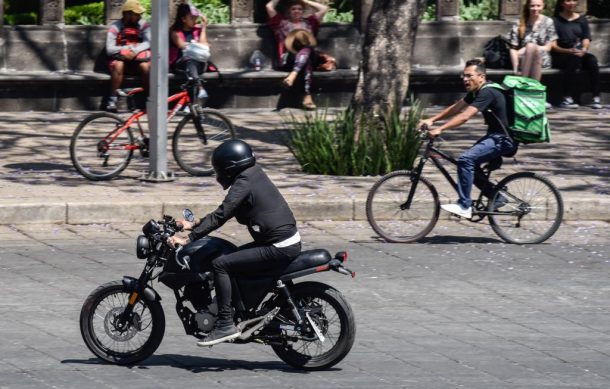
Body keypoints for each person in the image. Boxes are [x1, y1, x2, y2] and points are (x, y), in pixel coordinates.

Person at [167, 139, 302, 346]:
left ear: (229, 167)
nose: (217, 174)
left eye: (219, 169)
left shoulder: (244, 183)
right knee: (231, 258)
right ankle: (240, 310)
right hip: (280, 241)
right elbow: (225, 213)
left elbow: (222, 214)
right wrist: (192, 224)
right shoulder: (253, 174)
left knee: (220, 264)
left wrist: (188, 239)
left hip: (278, 246)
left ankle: (225, 324)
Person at [418, 59, 518, 219]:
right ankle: (497, 197)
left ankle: (464, 205)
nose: (465, 79)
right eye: (463, 76)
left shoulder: (488, 92)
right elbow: (457, 107)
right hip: (495, 137)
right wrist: (432, 120)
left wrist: (440, 129)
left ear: (481, 77)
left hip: (503, 139)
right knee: (469, 165)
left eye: (469, 76)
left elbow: (464, 116)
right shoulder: (477, 92)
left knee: (466, 160)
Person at [266, 0, 329, 110]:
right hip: (289, 58)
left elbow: (323, 9)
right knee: (306, 60)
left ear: (303, 11)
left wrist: (305, 0)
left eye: (299, 9)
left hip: (310, 56)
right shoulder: (281, 22)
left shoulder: (310, 22)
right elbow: (269, 6)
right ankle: (307, 96)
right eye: (293, 9)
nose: (296, 11)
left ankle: (292, 75)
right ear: (288, 11)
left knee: (307, 47)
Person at [552, 0, 602, 109]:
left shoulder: (582, 20)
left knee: (592, 60)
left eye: (574, 0)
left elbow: (586, 38)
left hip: (578, 53)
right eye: (568, 0)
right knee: (573, 59)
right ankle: (567, 98)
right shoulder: (555, 20)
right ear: (562, 3)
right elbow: (553, 46)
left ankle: (596, 98)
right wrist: (568, 51)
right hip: (561, 54)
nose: (571, 3)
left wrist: (584, 49)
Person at [105, 0, 151, 112]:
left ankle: (149, 99)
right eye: (136, 14)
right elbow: (109, 49)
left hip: (137, 60)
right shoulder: (115, 27)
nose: (139, 16)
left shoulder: (144, 25)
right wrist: (125, 50)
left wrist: (134, 51)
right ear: (127, 14)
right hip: (120, 60)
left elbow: (149, 42)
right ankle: (112, 100)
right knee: (118, 65)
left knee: (145, 66)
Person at [169, 3, 210, 104]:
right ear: (183, 19)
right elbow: (182, 46)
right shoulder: (175, 32)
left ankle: (190, 105)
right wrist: (197, 45)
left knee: (191, 69)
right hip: (180, 63)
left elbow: (204, 45)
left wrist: (204, 28)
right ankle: (199, 88)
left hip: (199, 63)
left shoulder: (198, 30)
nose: (195, 21)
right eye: (192, 18)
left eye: (196, 18)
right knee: (189, 62)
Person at [508, 0, 557, 82]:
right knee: (529, 49)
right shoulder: (520, 22)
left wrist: (530, 48)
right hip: (522, 59)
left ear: (543, 6)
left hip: (542, 59)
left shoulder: (548, 22)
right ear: (528, 6)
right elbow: (513, 48)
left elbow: (548, 47)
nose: (535, 8)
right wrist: (515, 68)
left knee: (530, 46)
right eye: (532, 6)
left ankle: (523, 82)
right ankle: (532, 89)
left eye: (538, 6)